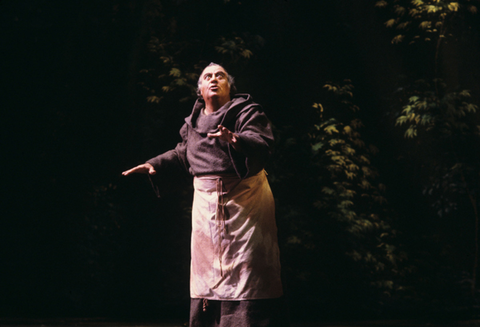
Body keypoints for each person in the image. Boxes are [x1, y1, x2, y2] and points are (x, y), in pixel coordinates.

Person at [122, 63, 287, 326]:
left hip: (246, 202)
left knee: (248, 270)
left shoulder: (246, 112)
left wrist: (235, 140)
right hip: (207, 206)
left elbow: (262, 142)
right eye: (207, 76)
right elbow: (182, 153)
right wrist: (154, 164)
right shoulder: (193, 123)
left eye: (220, 75)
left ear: (229, 86)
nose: (213, 79)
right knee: (208, 274)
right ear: (199, 89)